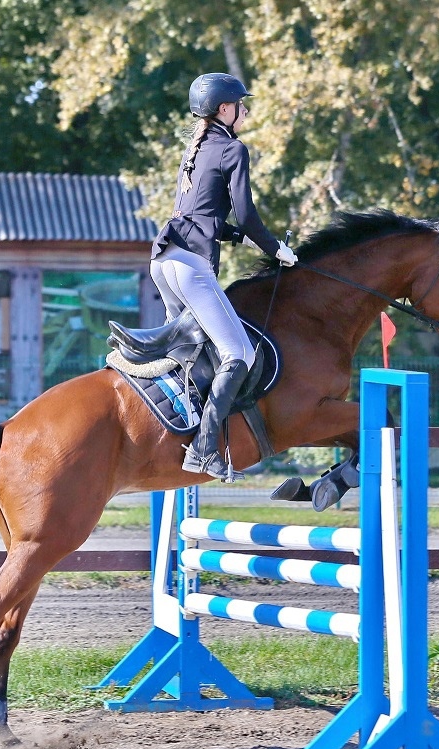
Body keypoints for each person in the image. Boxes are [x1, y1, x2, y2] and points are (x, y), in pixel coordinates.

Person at [149, 72, 297, 480]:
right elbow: (246, 214)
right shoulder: (233, 149)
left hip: (163, 260)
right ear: (224, 109)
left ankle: (172, 429)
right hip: (191, 268)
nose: (245, 110)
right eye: (240, 104)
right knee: (240, 354)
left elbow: (202, 213)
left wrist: (238, 239)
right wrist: (276, 250)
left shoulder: (195, 150)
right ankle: (202, 450)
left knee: (187, 354)